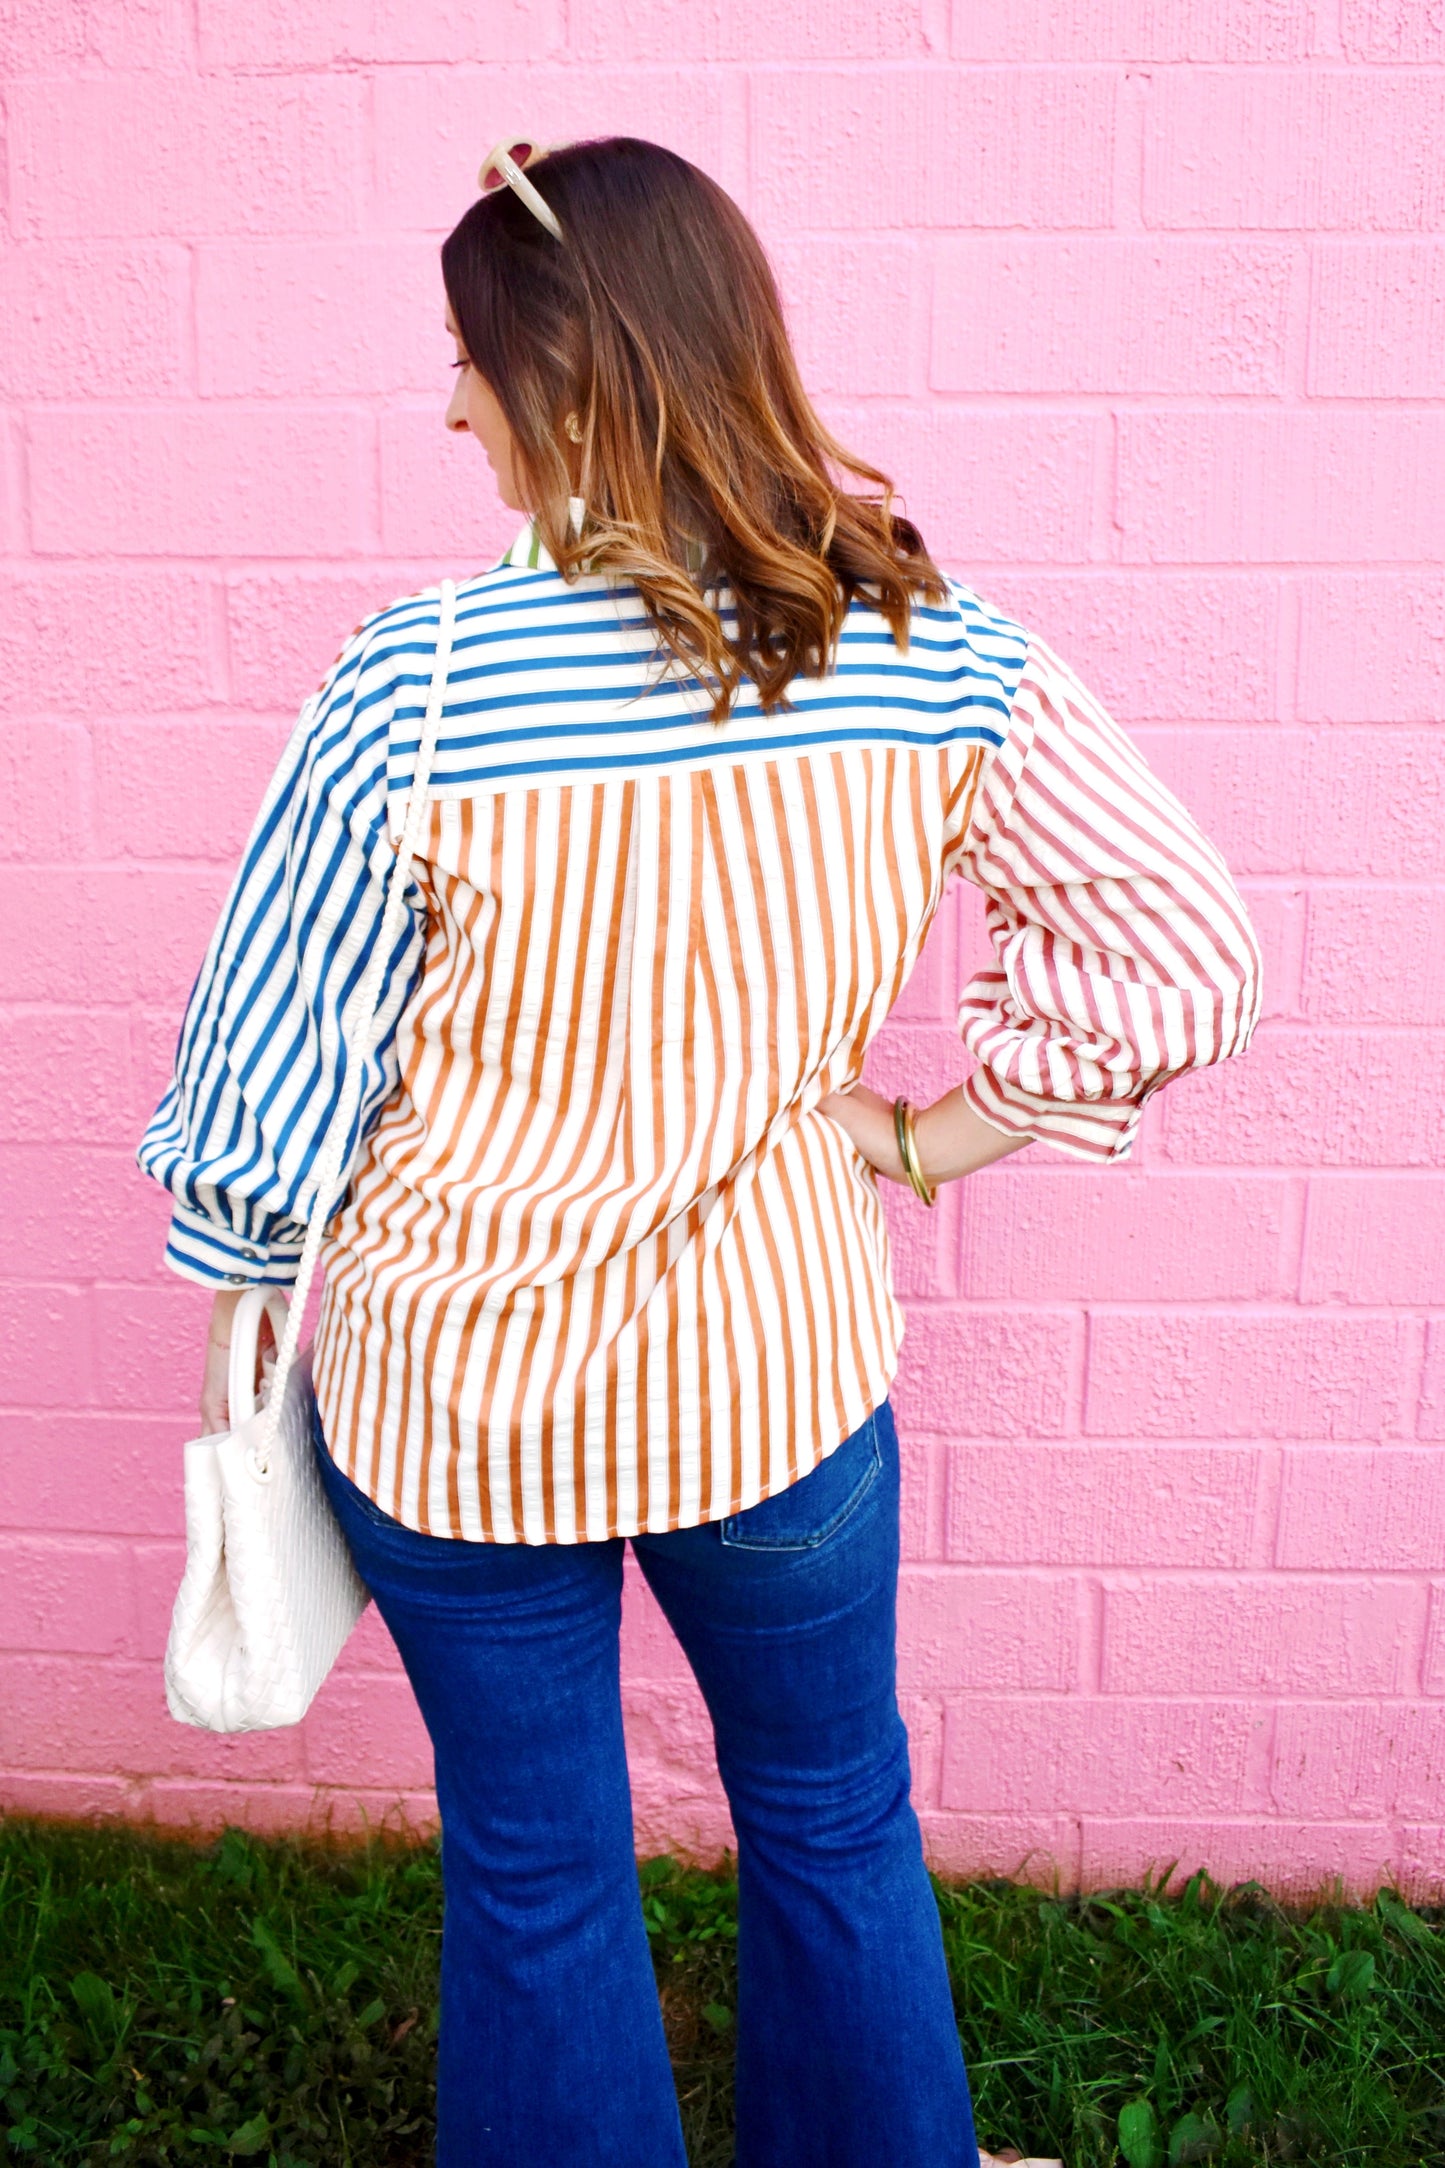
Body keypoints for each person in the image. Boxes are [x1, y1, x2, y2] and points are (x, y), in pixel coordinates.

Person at [137, 136, 1261, 2168]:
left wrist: (238, 1276)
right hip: (779, 1377)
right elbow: (1183, 952)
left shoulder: (419, 685)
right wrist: (927, 1137)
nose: (448, 400)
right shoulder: (929, 647)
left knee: (538, 1868)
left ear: (563, 374)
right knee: (835, 1814)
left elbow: (254, 1107)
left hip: (455, 1412)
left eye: (469, 356)